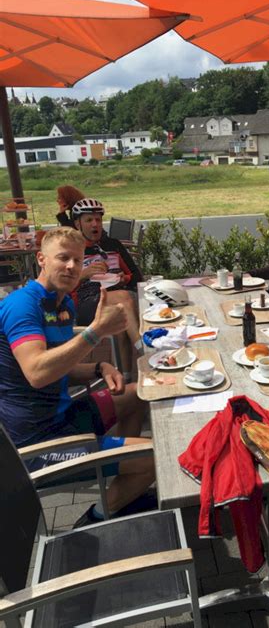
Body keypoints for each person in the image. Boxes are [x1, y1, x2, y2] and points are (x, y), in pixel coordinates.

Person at [0, 227, 154, 527]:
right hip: (37, 442)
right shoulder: (22, 306)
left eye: (77, 260)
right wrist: (95, 332)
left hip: (64, 415)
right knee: (154, 457)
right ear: (41, 259)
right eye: (62, 258)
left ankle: (123, 476)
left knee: (138, 393)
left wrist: (99, 369)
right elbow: (37, 372)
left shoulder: (62, 304)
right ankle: (93, 520)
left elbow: (58, 366)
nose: (71, 266)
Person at [71, 199, 143, 382]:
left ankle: (126, 378)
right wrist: (83, 274)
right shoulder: (72, 250)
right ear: (78, 223)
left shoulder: (113, 245)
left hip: (115, 300)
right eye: (89, 220)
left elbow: (136, 276)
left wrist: (123, 278)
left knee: (120, 318)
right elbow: (60, 287)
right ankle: (143, 349)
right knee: (124, 299)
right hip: (86, 303)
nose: (95, 224)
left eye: (98, 219)